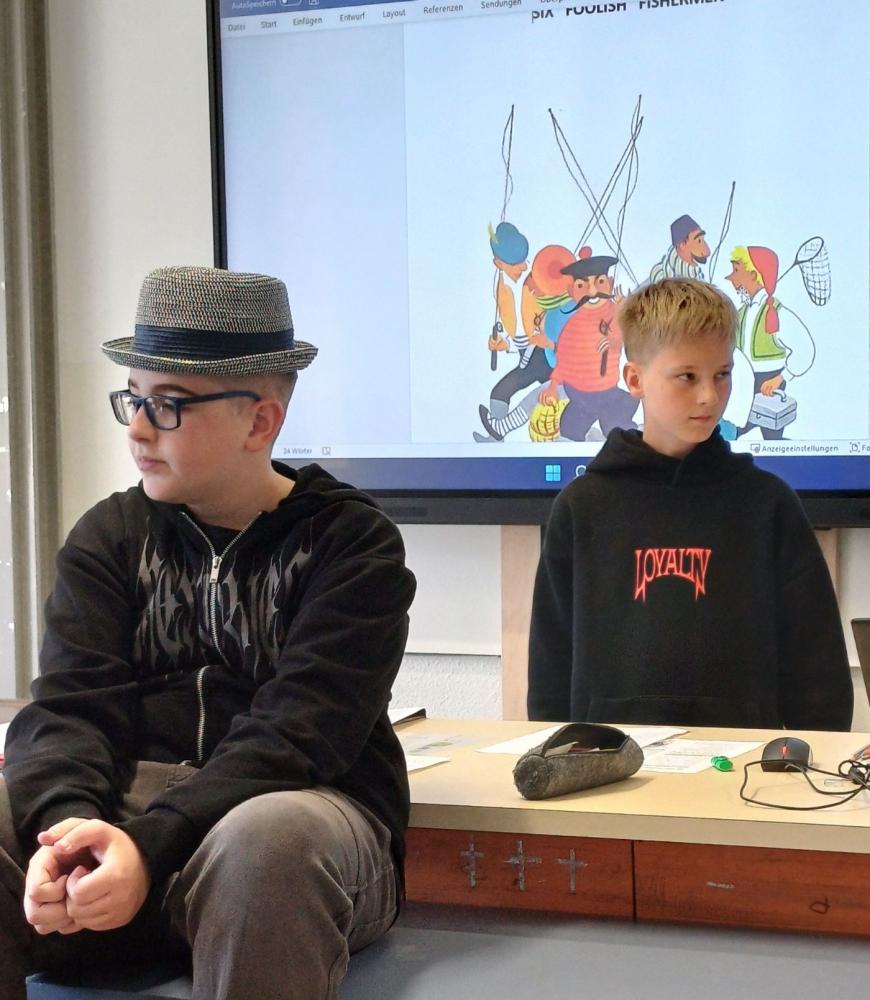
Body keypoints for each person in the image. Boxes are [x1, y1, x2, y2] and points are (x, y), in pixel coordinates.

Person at [0, 266, 417, 1000]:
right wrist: (70, 835)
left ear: (259, 422)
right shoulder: (109, 537)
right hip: (125, 806)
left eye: (167, 406)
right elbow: (69, 711)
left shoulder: (352, 545)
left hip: (297, 811)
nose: (136, 428)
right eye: (132, 398)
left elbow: (298, 735)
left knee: (267, 843)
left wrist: (148, 847)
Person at [527, 277, 852, 730]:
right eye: (687, 376)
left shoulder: (768, 504)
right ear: (635, 379)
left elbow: (817, 667)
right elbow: (550, 665)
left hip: (745, 764)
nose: (709, 396)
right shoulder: (582, 507)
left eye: (722, 374)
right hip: (610, 762)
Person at [725, 245, 816, 440]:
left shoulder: (778, 314)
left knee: (772, 442)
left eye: (736, 270)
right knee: (732, 433)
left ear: (753, 275)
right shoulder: (740, 313)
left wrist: (781, 378)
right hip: (743, 386)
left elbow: (805, 350)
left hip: (769, 387)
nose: (730, 278)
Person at [648, 214, 710, 283]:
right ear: (682, 244)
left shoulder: (699, 279)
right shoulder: (659, 281)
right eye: (699, 241)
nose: (707, 252)